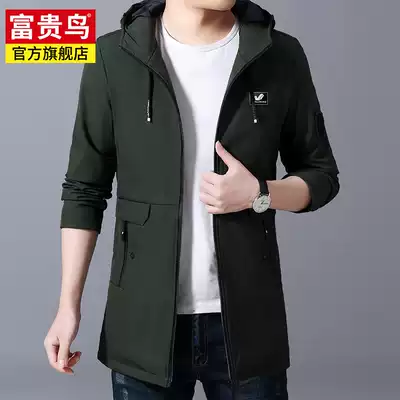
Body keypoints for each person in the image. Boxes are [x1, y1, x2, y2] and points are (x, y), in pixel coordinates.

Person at [43, 0, 340, 398]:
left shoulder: (279, 53)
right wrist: (68, 306)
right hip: (143, 326)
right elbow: (84, 189)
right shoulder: (113, 56)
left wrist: (260, 194)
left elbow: (321, 175)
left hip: (248, 324)